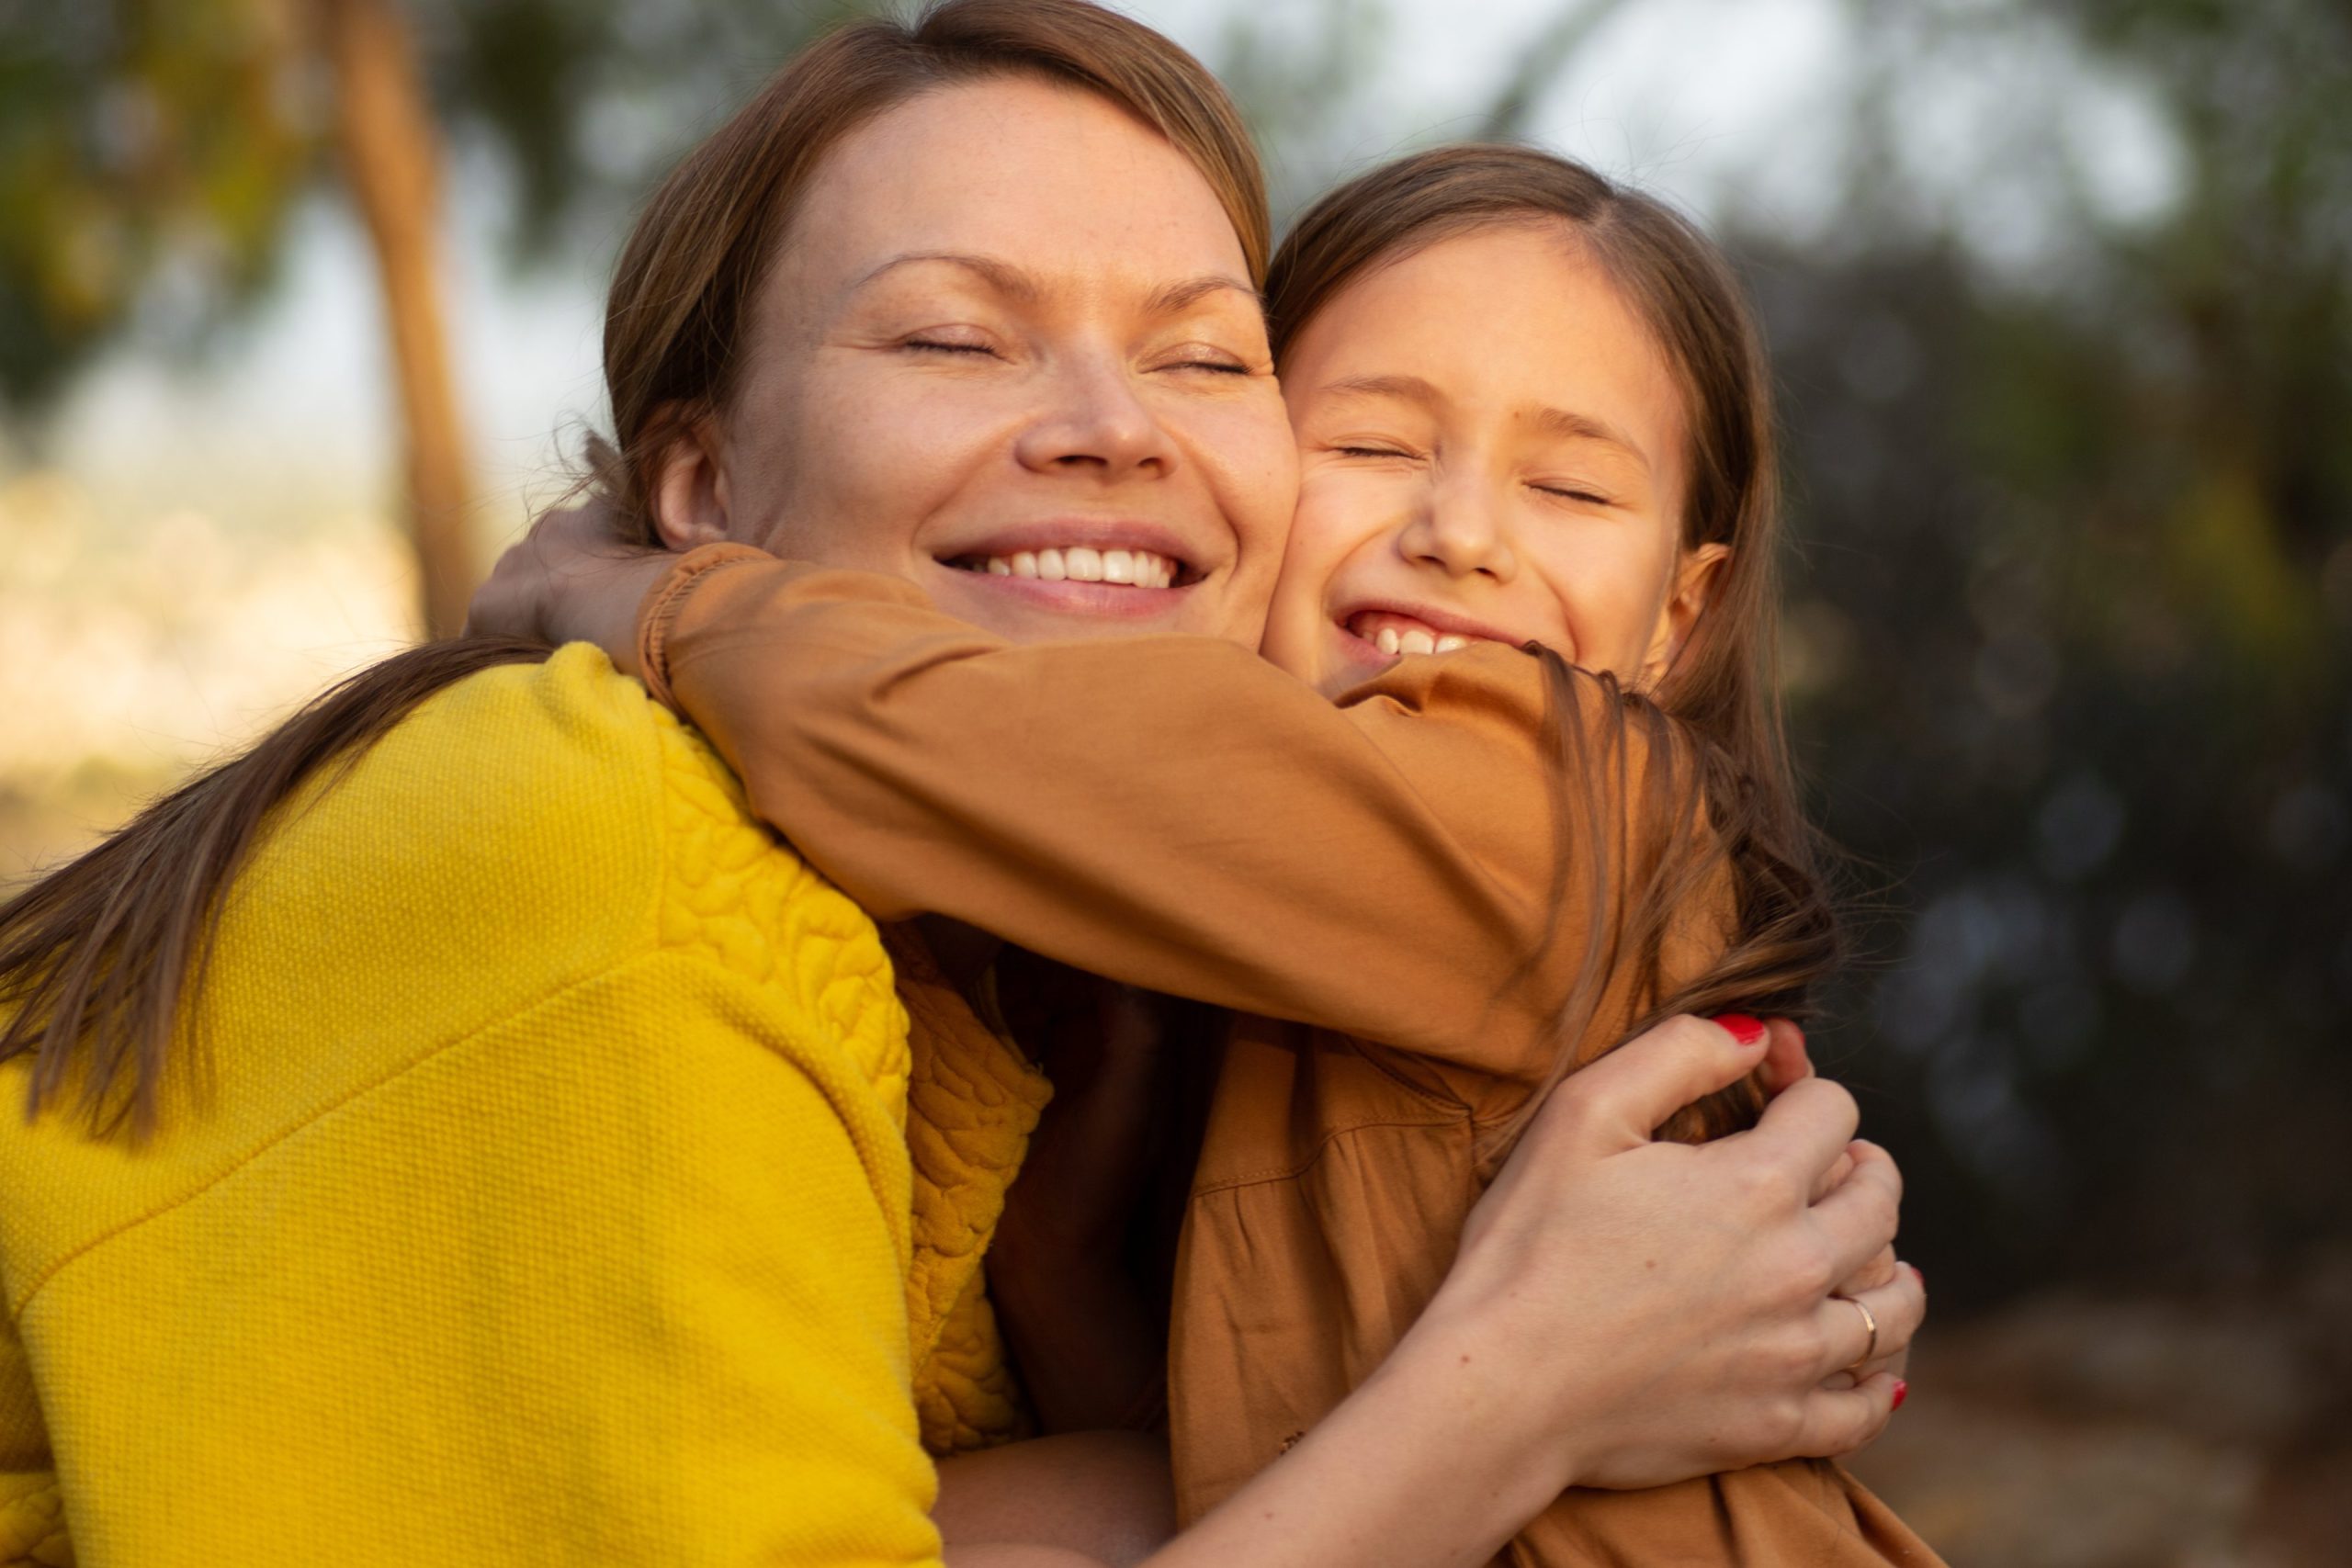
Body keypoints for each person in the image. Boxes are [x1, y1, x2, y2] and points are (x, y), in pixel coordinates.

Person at [0, 5, 1914, 1566]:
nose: (1106, 428)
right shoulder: (617, 869)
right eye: (950, 333)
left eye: (1193, 353)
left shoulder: (1325, 878)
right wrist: (1533, 1383)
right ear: (701, 476)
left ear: (1684, 606)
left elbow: (1160, 1446)